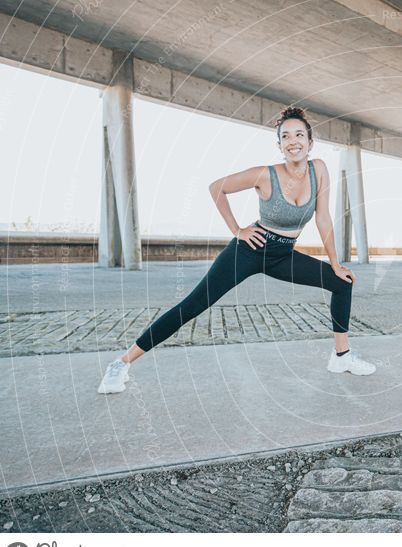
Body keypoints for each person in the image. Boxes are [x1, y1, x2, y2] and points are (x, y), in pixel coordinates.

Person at [98, 106, 376, 394]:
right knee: (192, 305)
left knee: (342, 282)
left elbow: (323, 218)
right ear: (279, 145)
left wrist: (334, 264)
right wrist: (237, 230)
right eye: (285, 136)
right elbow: (217, 187)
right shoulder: (264, 175)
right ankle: (121, 363)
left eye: (299, 135)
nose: (293, 141)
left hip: (283, 255)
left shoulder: (319, 169)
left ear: (309, 142)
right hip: (249, 250)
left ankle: (341, 357)